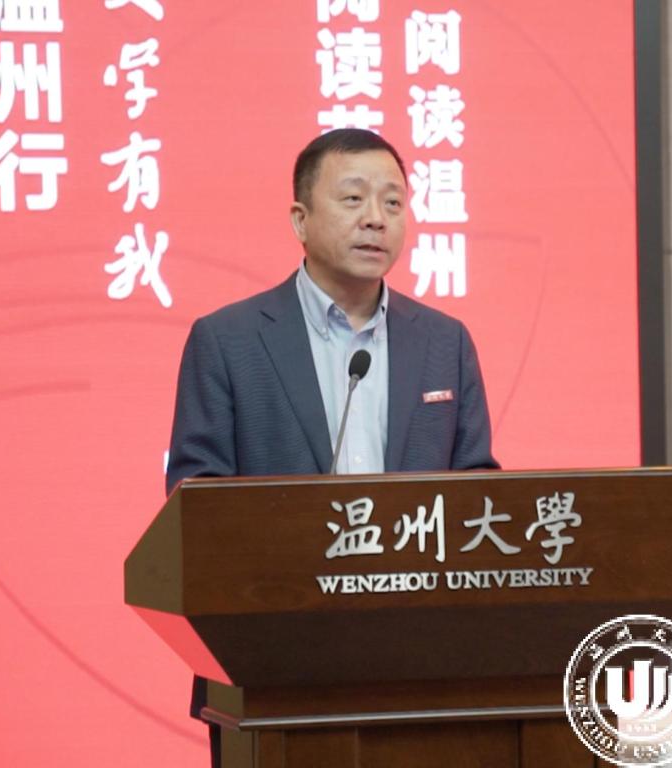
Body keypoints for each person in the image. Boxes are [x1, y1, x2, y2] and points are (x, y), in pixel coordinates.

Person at [163, 128, 499, 765]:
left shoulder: (444, 342)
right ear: (300, 219)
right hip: (273, 667)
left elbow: (477, 491)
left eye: (393, 202)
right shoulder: (228, 341)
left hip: (423, 668)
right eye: (352, 198)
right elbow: (195, 505)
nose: (376, 218)